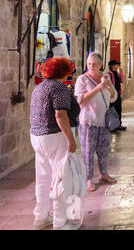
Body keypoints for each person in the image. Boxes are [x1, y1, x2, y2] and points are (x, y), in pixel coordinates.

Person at [29, 58, 80, 230]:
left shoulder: (39, 87)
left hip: (37, 137)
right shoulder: (59, 88)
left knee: (43, 179)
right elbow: (60, 115)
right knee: (62, 178)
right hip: (55, 136)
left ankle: (40, 217)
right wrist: (71, 140)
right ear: (65, 71)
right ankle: (60, 221)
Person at [75, 53, 118, 192]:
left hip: (104, 120)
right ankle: (88, 179)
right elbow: (80, 100)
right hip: (88, 121)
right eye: (89, 64)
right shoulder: (82, 79)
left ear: (100, 65)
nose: (91, 66)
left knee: (104, 150)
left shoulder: (106, 77)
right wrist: (98, 88)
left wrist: (109, 87)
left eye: (94, 64)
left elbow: (113, 97)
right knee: (88, 151)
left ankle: (103, 174)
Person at [107, 60, 126, 131]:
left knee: (118, 109)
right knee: (113, 110)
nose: (117, 66)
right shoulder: (109, 74)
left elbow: (122, 81)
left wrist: (121, 72)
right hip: (112, 95)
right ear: (112, 66)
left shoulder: (117, 73)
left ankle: (118, 125)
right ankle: (113, 125)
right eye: (116, 65)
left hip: (117, 94)